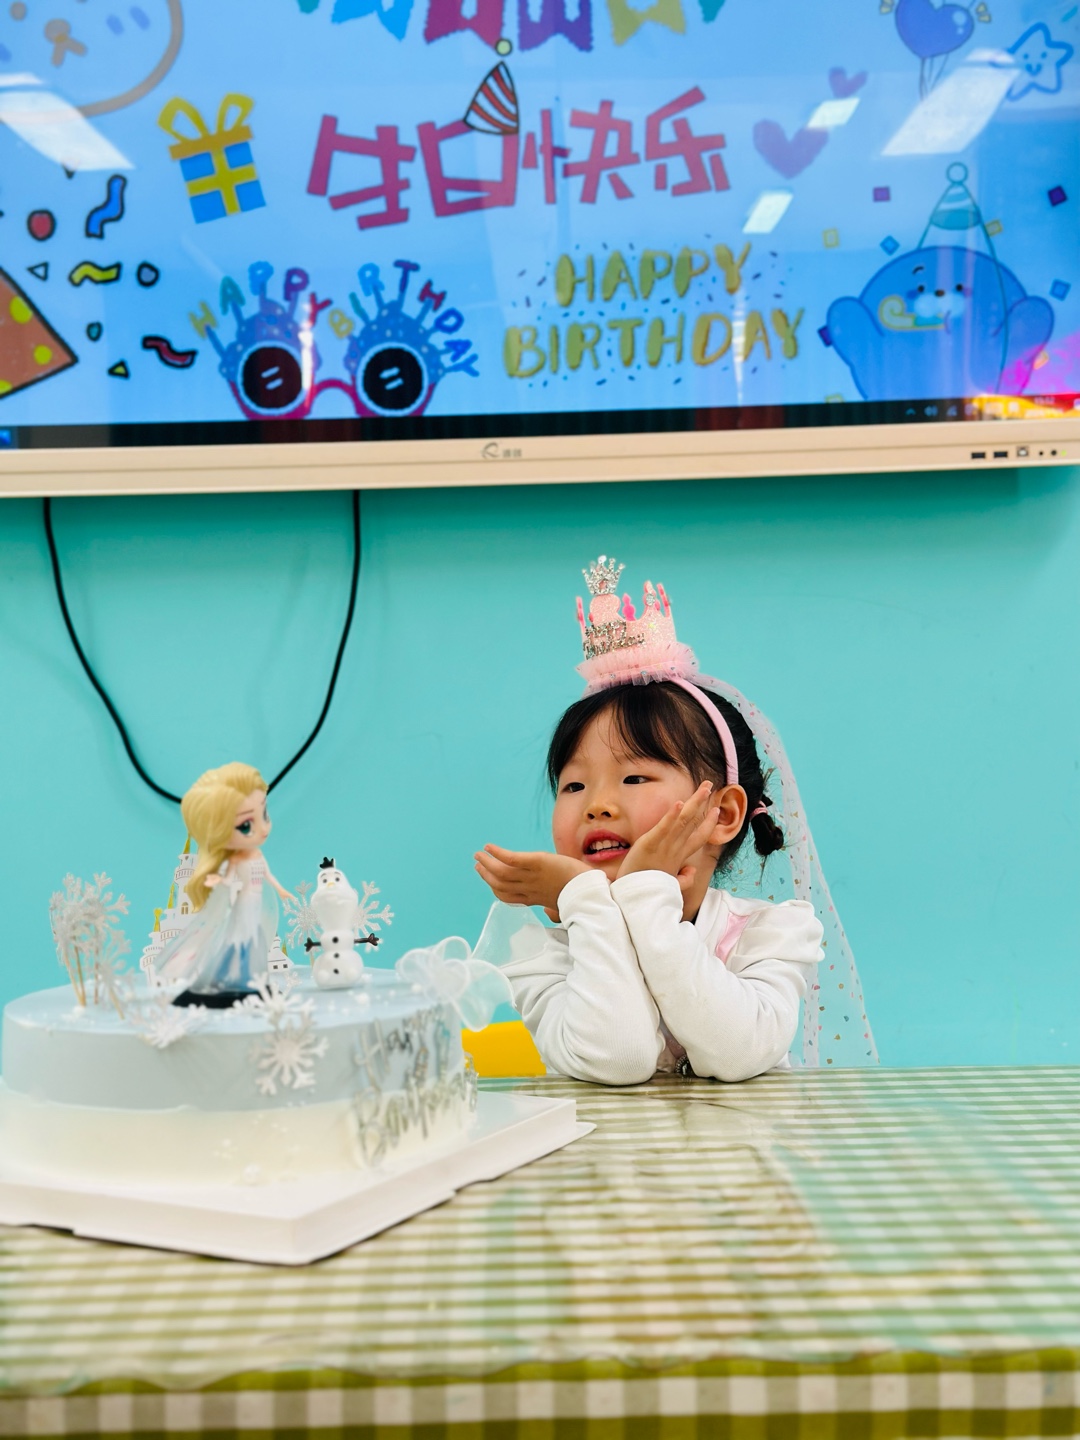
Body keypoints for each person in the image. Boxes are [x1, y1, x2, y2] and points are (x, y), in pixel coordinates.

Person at [475, 556, 875, 1085]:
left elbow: (738, 1054)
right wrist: (590, 905)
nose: (597, 805)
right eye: (574, 786)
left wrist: (645, 898)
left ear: (721, 814)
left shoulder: (768, 935)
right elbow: (614, 1060)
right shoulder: (542, 952)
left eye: (634, 777)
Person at [154, 762, 293, 1004]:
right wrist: (219, 880)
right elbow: (229, 879)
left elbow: (268, 875)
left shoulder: (256, 855)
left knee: (255, 938)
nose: (262, 829)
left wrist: (281, 890)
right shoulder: (236, 859)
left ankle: (247, 976)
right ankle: (228, 975)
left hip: (260, 901)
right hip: (245, 901)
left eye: (264, 814)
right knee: (239, 937)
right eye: (246, 826)